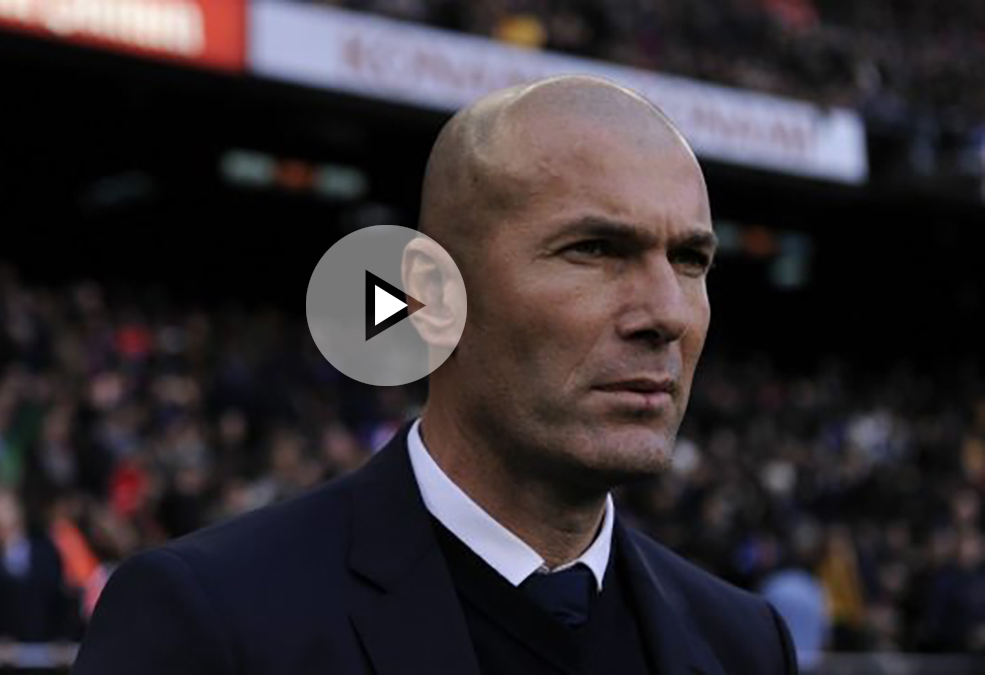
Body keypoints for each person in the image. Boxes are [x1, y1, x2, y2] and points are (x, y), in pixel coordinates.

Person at [72, 75, 799, 674]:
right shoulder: (212, 621)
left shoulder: (746, 644)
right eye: (596, 248)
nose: (667, 313)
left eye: (690, 260)